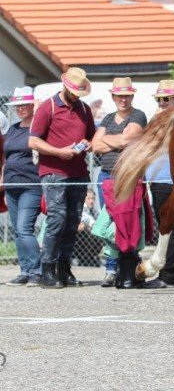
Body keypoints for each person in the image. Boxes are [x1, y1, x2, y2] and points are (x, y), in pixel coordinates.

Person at [29, 67, 96, 288]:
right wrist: (59, 152)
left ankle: (64, 268)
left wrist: (88, 144)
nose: (76, 95)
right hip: (54, 173)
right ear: (65, 86)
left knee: (72, 222)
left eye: (79, 92)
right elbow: (33, 141)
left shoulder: (84, 110)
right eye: (73, 91)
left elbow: (92, 138)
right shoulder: (47, 107)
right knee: (56, 220)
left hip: (78, 173)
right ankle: (47, 269)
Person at [91, 77, 147, 287]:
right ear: (113, 97)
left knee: (126, 222)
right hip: (106, 175)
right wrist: (114, 141)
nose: (123, 99)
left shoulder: (138, 115)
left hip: (127, 176)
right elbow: (95, 146)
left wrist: (106, 140)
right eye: (119, 95)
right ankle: (112, 267)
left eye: (127, 95)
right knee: (106, 223)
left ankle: (127, 266)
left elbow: (128, 140)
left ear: (132, 96)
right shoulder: (107, 119)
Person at [144, 80, 174, 289]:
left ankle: (169, 275)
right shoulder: (172, 115)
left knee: (167, 224)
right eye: (159, 99)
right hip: (161, 175)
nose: (162, 103)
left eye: (166, 99)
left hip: (168, 176)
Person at [1, 87, 42, 286]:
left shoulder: (38, 128)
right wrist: (3, 179)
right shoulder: (13, 129)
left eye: (25, 104)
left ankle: (37, 270)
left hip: (30, 184)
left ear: (33, 105)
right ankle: (25, 270)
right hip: (11, 184)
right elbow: (6, 157)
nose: (20, 108)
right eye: (17, 105)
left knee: (24, 228)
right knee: (18, 230)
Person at [73, 188, 101, 267]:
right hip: (79, 239)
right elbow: (87, 219)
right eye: (88, 198)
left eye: (93, 199)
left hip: (91, 240)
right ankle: (82, 257)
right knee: (83, 229)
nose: (91, 201)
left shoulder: (94, 212)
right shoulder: (81, 208)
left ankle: (88, 258)